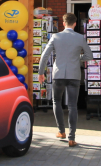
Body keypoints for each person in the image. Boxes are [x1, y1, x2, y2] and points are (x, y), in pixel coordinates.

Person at [38, 12, 95, 147]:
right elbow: (90, 55)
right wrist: (78, 59)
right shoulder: (80, 38)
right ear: (75, 24)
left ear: (63, 23)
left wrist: (41, 72)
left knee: (56, 101)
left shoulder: (55, 37)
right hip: (74, 75)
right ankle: (72, 138)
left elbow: (44, 56)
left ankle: (61, 131)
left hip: (58, 75)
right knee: (72, 106)